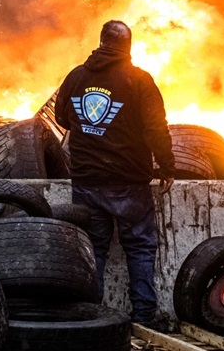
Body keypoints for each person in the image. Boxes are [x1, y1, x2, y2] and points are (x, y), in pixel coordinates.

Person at [54, 20, 175, 330]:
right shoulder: (139, 80)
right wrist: (167, 164)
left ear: (101, 41)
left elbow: (62, 118)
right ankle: (143, 318)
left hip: (86, 181)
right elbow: (155, 129)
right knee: (139, 246)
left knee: (94, 248)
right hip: (128, 183)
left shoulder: (76, 76)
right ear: (128, 46)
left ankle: (91, 318)